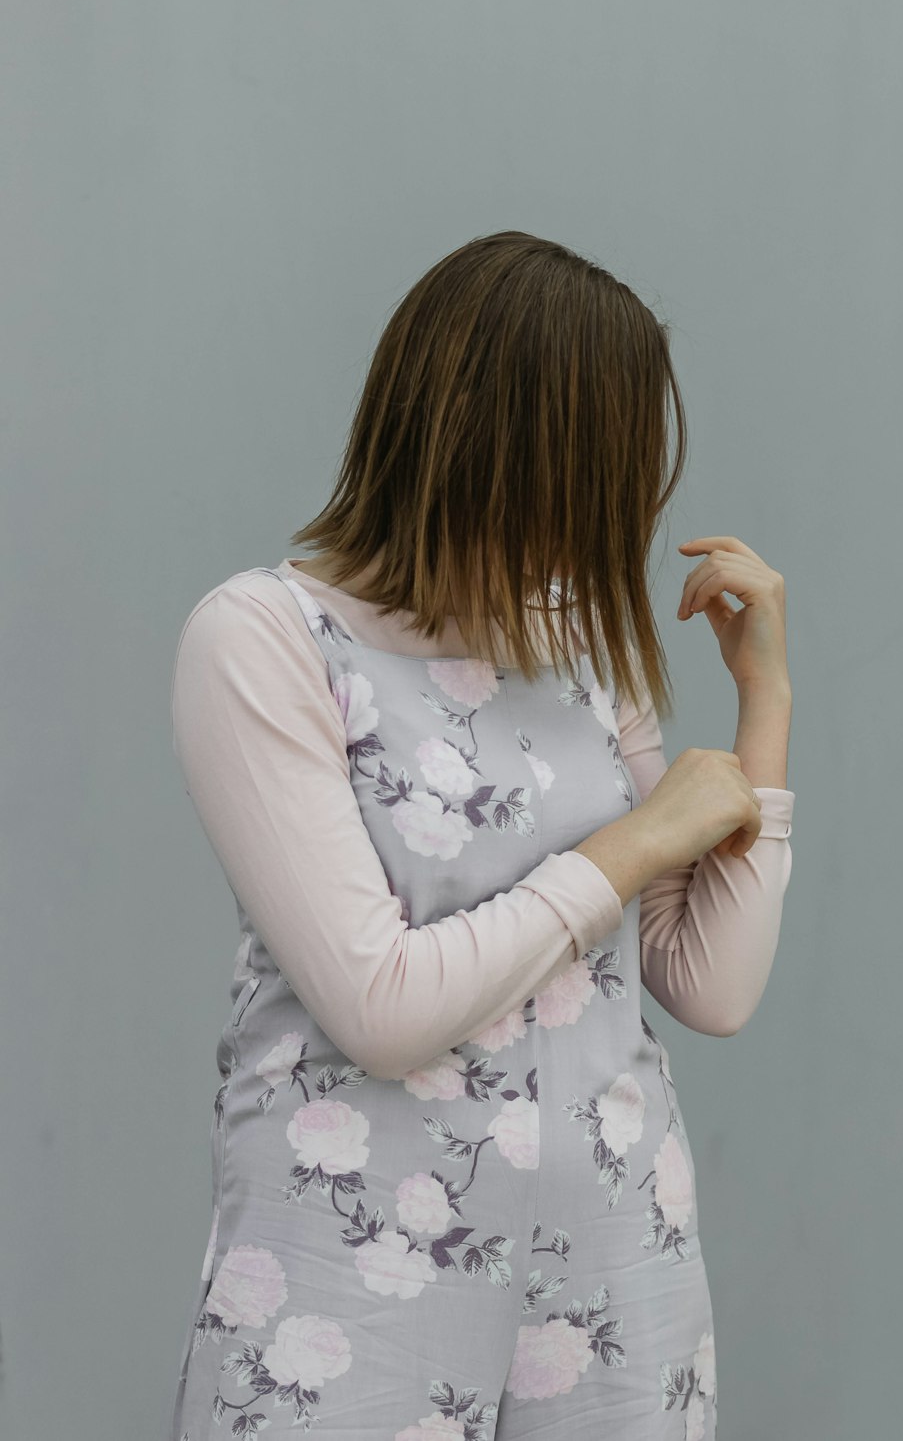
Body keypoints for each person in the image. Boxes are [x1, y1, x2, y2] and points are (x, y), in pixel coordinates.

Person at [168, 230, 795, 1440]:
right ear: (481, 450)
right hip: (351, 1285)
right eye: (587, 482)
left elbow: (707, 987)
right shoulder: (265, 639)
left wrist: (764, 708)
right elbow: (380, 1006)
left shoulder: (580, 651)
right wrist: (629, 846)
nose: (598, 531)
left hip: (614, 1271)